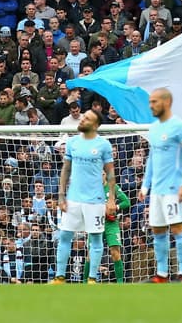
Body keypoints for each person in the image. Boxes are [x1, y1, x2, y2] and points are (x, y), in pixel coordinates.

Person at [51, 109, 116, 284]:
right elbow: (66, 169)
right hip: (73, 198)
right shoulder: (72, 142)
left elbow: (110, 173)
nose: (82, 119)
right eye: (83, 116)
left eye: (87, 118)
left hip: (95, 200)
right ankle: (59, 277)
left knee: (95, 238)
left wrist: (111, 199)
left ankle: (92, 278)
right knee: (65, 236)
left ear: (95, 125)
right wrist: (61, 195)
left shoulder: (103, 145)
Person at [139, 88, 182, 283]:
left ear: (166, 102)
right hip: (157, 189)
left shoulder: (179, 126)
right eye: (150, 102)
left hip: (173, 188)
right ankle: (162, 274)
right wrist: (145, 186)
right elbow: (152, 159)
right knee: (158, 230)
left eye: (154, 102)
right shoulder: (153, 128)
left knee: (177, 227)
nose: (151, 106)